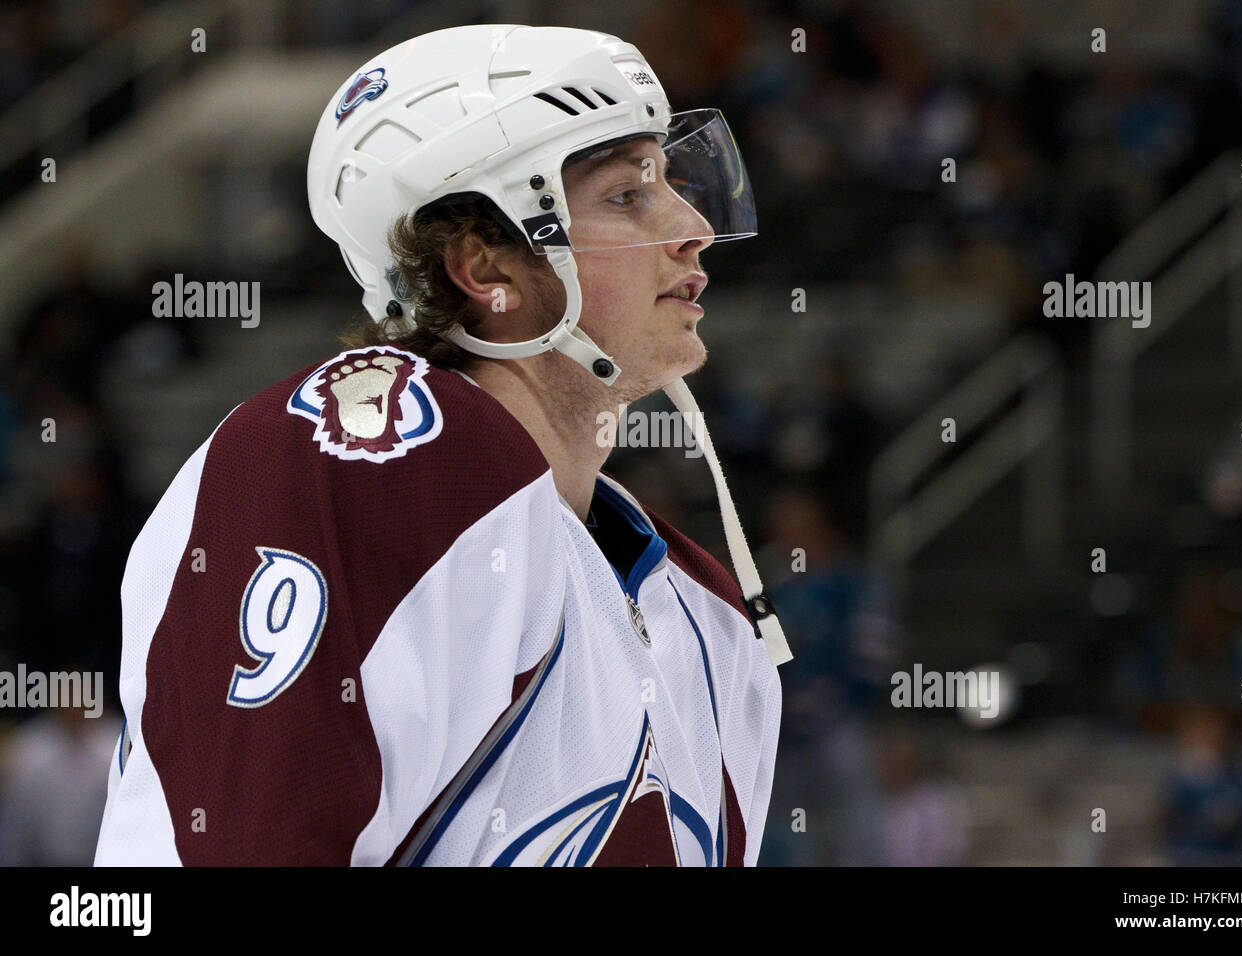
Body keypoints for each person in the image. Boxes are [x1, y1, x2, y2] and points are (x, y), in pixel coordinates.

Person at [95, 24, 789, 866]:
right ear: (484, 269)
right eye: (624, 196)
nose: (692, 227)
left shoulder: (707, 610)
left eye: (673, 185)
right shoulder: (357, 450)